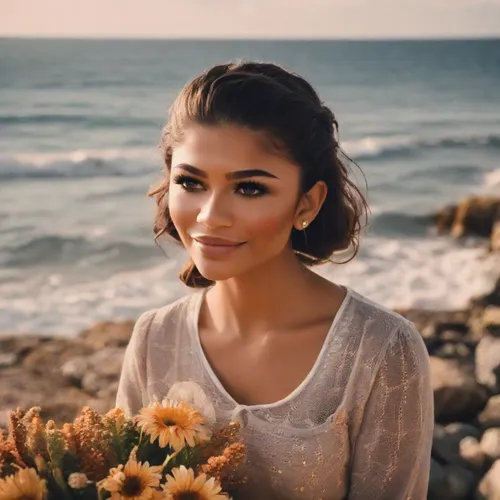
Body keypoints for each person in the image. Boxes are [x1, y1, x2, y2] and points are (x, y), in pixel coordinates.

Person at [116, 61, 434, 500]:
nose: (210, 217)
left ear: (307, 202)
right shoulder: (155, 339)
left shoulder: (381, 350)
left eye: (249, 188)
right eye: (190, 182)